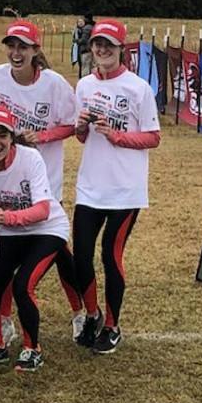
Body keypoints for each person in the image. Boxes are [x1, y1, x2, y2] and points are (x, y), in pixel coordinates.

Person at [0, 19, 83, 340]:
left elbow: (73, 124)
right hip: (7, 188)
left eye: (22, 47)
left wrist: (43, 135)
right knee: (8, 256)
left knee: (61, 254)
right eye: (11, 46)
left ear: (35, 50)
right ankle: (7, 319)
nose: (15, 52)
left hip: (44, 186)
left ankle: (81, 312)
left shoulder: (53, 84)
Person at [72, 18, 160, 355]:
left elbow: (153, 137)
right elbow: (81, 138)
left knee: (111, 254)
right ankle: (92, 314)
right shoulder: (84, 86)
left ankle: (112, 325)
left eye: (109, 44)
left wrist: (118, 136)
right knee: (81, 255)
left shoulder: (138, 88)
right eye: (97, 43)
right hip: (90, 187)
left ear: (121, 48)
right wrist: (81, 128)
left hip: (125, 190)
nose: (102, 49)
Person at [0, 105, 72, 373]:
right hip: (10, 231)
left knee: (23, 285)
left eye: (2, 135)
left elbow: (43, 209)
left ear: (12, 137)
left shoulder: (30, 158)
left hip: (47, 229)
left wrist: (9, 218)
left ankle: (31, 348)